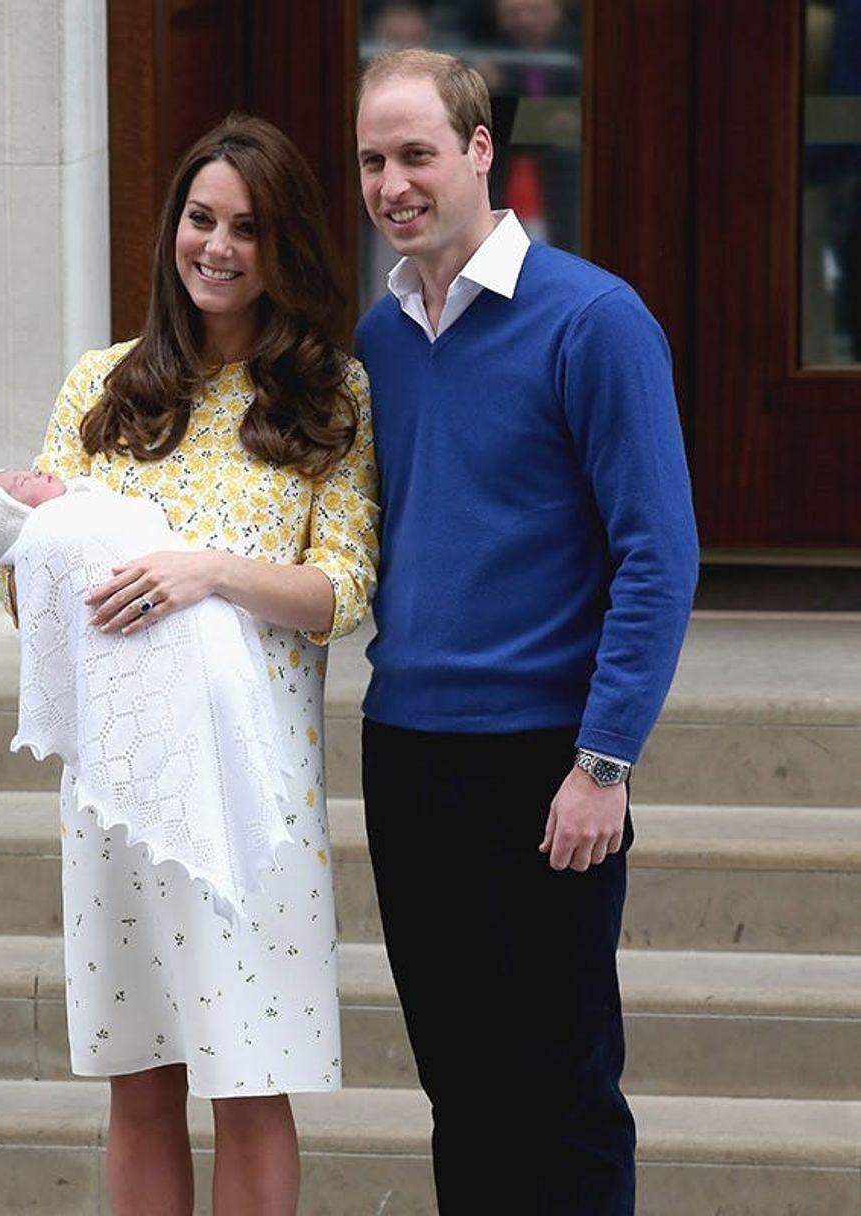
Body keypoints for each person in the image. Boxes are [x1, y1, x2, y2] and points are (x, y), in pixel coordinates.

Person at [0, 114, 378, 1216]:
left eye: (246, 228)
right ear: (171, 231)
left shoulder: (328, 395)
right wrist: (29, 539)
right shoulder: (101, 388)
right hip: (120, 785)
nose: (217, 246)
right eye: (201, 219)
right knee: (141, 1080)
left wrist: (207, 572)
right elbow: (26, 589)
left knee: (250, 1082)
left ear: (281, 245)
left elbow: (342, 591)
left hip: (256, 796)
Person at [353, 48, 698, 1214]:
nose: (391, 182)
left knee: (561, 1089)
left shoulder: (593, 320)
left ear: (480, 151)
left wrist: (602, 762)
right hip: (404, 755)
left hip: (543, 763)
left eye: (415, 153)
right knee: (460, 1085)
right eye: (371, 159)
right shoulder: (381, 340)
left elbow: (658, 555)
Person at [0, 467, 295, 923]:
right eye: (19, 484)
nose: (35, 470)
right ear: (20, 511)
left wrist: (212, 570)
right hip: (137, 714)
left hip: (254, 682)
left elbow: (347, 585)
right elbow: (22, 573)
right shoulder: (59, 514)